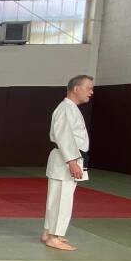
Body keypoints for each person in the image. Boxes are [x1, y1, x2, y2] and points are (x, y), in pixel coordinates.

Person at [41, 74, 94, 251]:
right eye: (89, 88)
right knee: (62, 199)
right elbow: (63, 135)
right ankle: (54, 237)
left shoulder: (69, 108)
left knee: (56, 198)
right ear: (76, 89)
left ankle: (48, 232)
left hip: (66, 157)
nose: (91, 92)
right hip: (67, 158)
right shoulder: (66, 108)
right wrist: (72, 161)